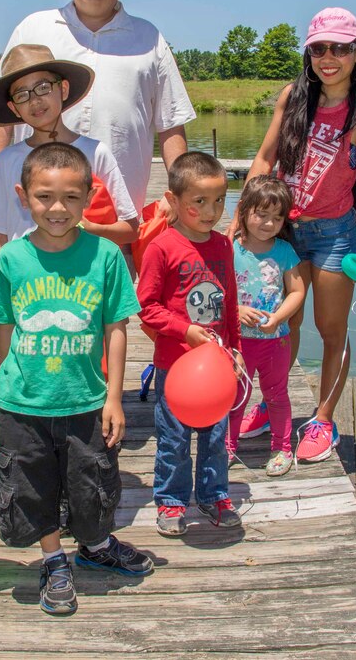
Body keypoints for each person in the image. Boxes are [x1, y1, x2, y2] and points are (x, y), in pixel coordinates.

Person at [0, 44, 138, 545]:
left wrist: (79, 222)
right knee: (2, 397)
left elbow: (130, 228)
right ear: (14, 107)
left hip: (80, 301)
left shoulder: (95, 153)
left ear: (63, 90)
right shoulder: (8, 160)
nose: (35, 100)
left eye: (43, 88)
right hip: (18, 303)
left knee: (78, 410)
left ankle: (77, 508)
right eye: (22, 94)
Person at [0, 143, 152, 616]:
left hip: (86, 400)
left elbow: (116, 328)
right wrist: (10, 390)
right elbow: (4, 329)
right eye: (44, 197)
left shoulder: (105, 256)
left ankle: (96, 546)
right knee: (33, 487)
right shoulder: (12, 259)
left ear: (88, 196)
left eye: (70, 198)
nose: (57, 209)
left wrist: (114, 398)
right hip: (23, 405)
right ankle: (53, 559)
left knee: (93, 482)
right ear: (23, 196)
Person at [232, 7, 356, 464]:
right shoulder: (293, 97)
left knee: (330, 329)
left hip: (334, 234)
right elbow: (264, 159)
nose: (329, 58)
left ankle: (323, 417)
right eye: (320, 48)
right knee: (283, 324)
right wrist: (242, 215)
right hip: (282, 230)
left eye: (341, 48)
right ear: (309, 52)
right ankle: (272, 402)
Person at [0, 0, 195, 220]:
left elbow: (170, 124)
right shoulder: (32, 28)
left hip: (117, 217)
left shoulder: (149, 38)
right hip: (34, 216)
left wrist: (179, 192)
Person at [138, 151, 243, 537]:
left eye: (219, 200)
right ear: (175, 201)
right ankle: (171, 500)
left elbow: (229, 302)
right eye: (199, 202)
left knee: (217, 437)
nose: (211, 210)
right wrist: (185, 331)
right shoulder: (161, 248)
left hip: (216, 365)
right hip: (175, 365)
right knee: (174, 438)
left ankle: (214, 494)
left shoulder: (223, 246)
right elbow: (146, 308)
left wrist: (235, 350)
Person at [227, 176, 305, 475]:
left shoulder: (284, 251)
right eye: (261, 214)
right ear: (244, 210)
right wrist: (234, 310)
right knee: (235, 395)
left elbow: (296, 291)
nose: (268, 223)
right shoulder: (230, 249)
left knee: (276, 393)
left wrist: (279, 318)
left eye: (277, 217)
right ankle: (227, 446)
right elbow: (216, 291)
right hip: (239, 343)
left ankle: (282, 447)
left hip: (276, 340)